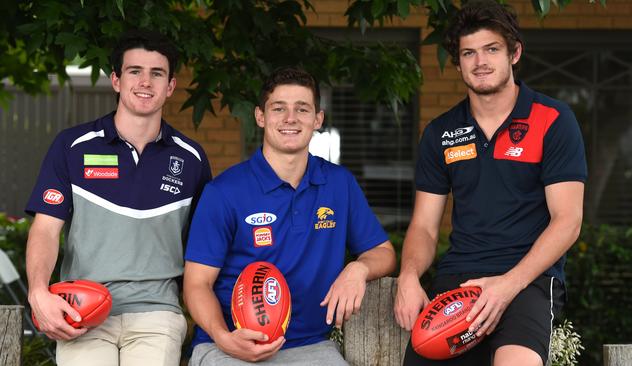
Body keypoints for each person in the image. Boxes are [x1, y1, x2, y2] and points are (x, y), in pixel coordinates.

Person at [393, 1, 587, 365]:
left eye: (491, 49)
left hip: (528, 280)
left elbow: (568, 221)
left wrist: (507, 285)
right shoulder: (441, 133)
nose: (480, 61)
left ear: (514, 53)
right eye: (469, 52)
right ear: (458, 62)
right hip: (457, 282)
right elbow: (424, 226)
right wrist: (408, 275)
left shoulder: (553, 120)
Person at [183, 66, 396, 365]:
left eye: (302, 109)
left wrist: (358, 269)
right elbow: (196, 284)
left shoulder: (338, 184)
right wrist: (223, 337)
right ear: (260, 116)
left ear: (318, 119)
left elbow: (383, 252)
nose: (290, 119)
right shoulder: (224, 192)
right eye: (279, 108)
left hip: (310, 346)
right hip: (231, 346)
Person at [25, 30, 212, 366]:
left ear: (170, 86)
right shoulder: (72, 146)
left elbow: (204, 247)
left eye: (157, 73)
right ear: (115, 80)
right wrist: (38, 291)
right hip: (83, 308)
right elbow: (45, 229)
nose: (145, 82)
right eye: (134, 71)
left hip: (157, 313)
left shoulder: (191, 159)